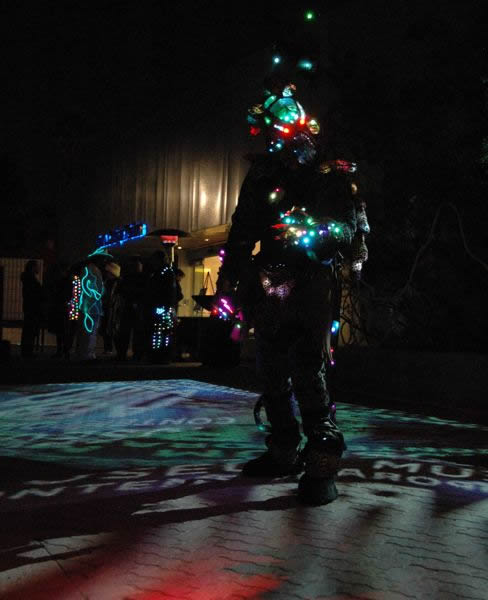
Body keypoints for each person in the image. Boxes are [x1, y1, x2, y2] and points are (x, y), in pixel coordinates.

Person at [216, 81, 359, 505]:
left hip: (311, 278)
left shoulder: (330, 175)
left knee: (308, 370)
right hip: (269, 279)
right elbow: (243, 227)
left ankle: (322, 458)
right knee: (271, 367)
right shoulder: (262, 174)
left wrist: (315, 234)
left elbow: (348, 229)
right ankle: (283, 448)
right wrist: (231, 272)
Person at [145, 250, 178, 364]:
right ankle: (160, 355)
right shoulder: (162, 272)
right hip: (162, 307)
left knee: (161, 332)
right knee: (161, 332)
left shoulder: (164, 273)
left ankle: (161, 355)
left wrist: (165, 306)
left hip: (162, 308)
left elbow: (167, 291)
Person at [111, 257, 146, 361]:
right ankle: (135, 354)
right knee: (135, 333)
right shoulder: (142, 279)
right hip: (135, 308)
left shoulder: (125, 278)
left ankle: (123, 353)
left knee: (125, 333)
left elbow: (120, 291)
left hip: (128, 307)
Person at [20, 260, 43, 358]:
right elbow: (36, 293)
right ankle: (27, 351)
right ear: (32, 268)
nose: (38, 268)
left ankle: (26, 351)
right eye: (37, 267)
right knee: (30, 330)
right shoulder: (31, 280)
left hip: (29, 307)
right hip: (32, 307)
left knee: (28, 329)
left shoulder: (28, 279)